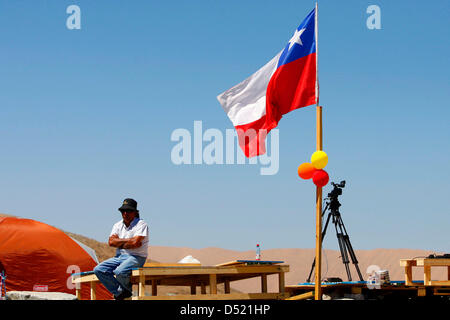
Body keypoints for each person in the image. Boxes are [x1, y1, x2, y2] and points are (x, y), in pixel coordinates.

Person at [94, 198, 149, 300]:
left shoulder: (141, 224)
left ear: (134, 212)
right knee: (99, 269)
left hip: (136, 257)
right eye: (123, 211)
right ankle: (121, 292)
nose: (125, 213)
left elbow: (135, 243)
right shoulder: (118, 225)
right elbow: (111, 242)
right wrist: (129, 242)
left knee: (120, 272)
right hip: (120, 257)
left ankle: (125, 293)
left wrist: (119, 242)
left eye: (128, 211)